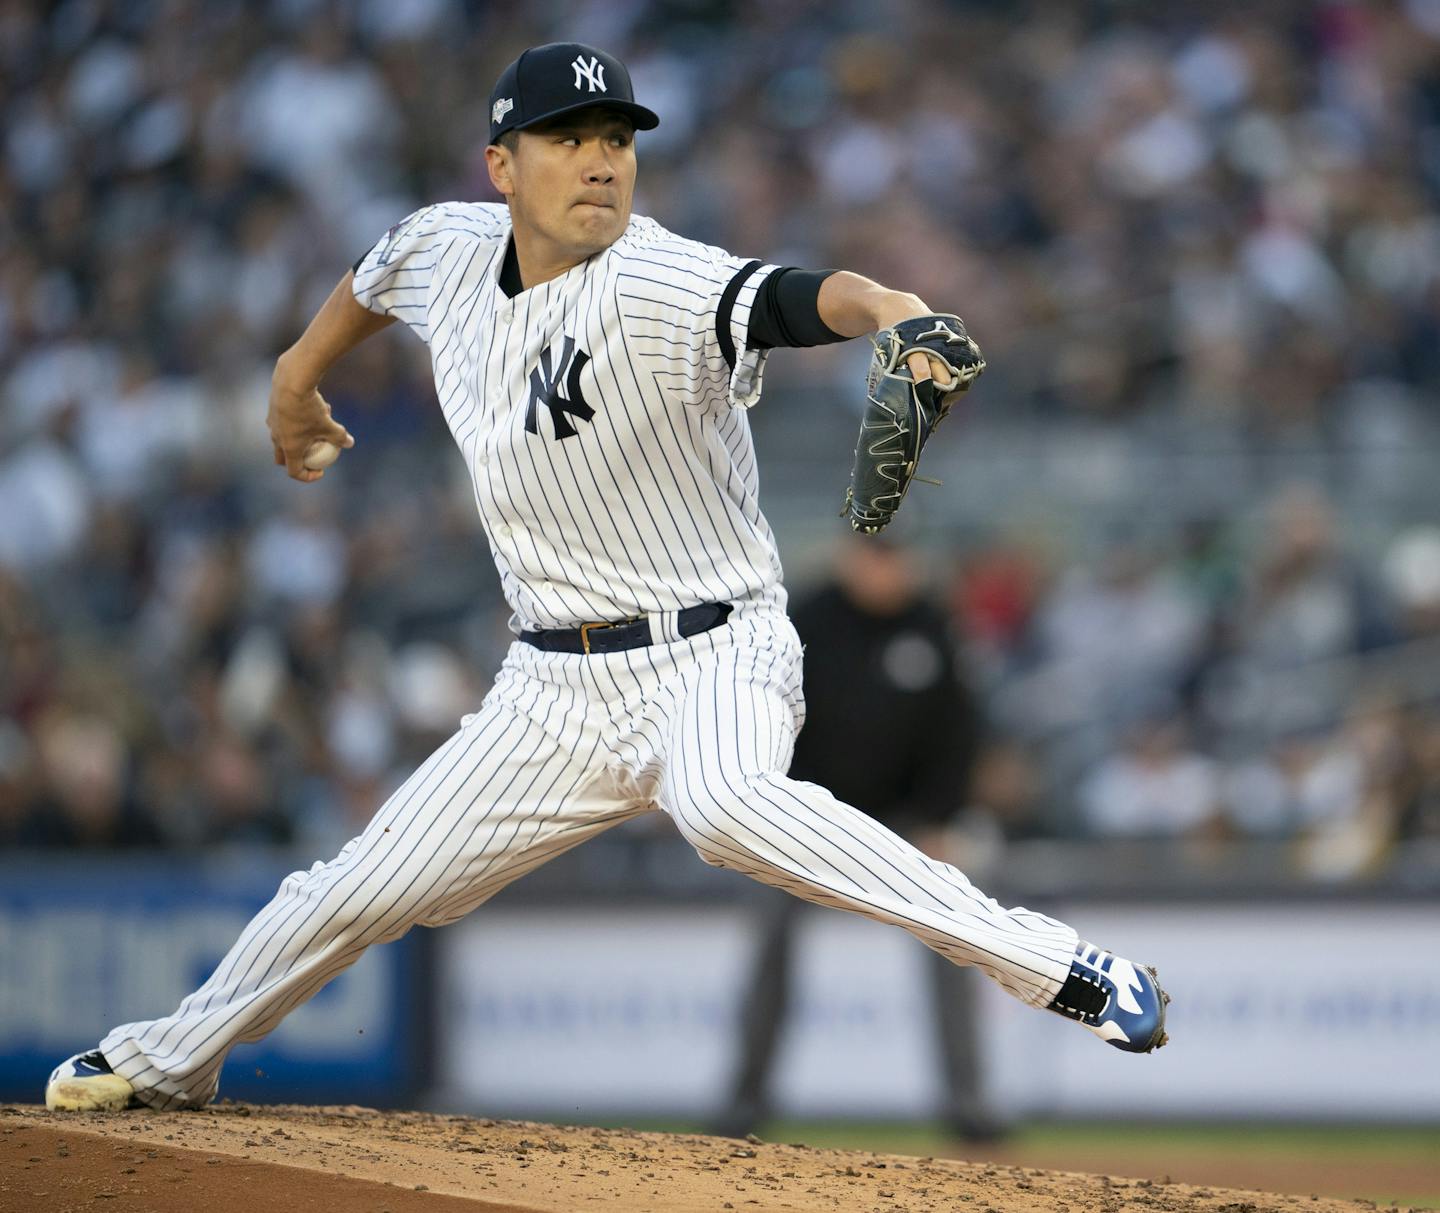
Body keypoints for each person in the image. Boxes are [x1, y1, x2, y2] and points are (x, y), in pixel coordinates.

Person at [46, 42, 1167, 1115]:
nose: (599, 159)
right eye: (567, 137)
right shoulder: (449, 247)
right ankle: (170, 1058)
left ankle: (1059, 965)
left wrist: (888, 312)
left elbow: (784, 296)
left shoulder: (654, 279)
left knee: (722, 803)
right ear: (501, 167)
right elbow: (378, 270)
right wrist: (295, 379)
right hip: (550, 688)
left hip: (714, 649)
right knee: (360, 885)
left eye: (617, 140)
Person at [715, 533, 999, 1140]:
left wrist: (940, 817)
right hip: (802, 816)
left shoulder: (931, 625)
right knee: (770, 950)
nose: (890, 566)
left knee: (956, 942)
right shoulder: (807, 619)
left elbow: (958, 732)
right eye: (878, 553)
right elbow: (761, 709)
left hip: (903, 820)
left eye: (900, 553)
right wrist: (764, 803)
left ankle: (968, 1105)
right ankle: (743, 1102)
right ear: (848, 555)